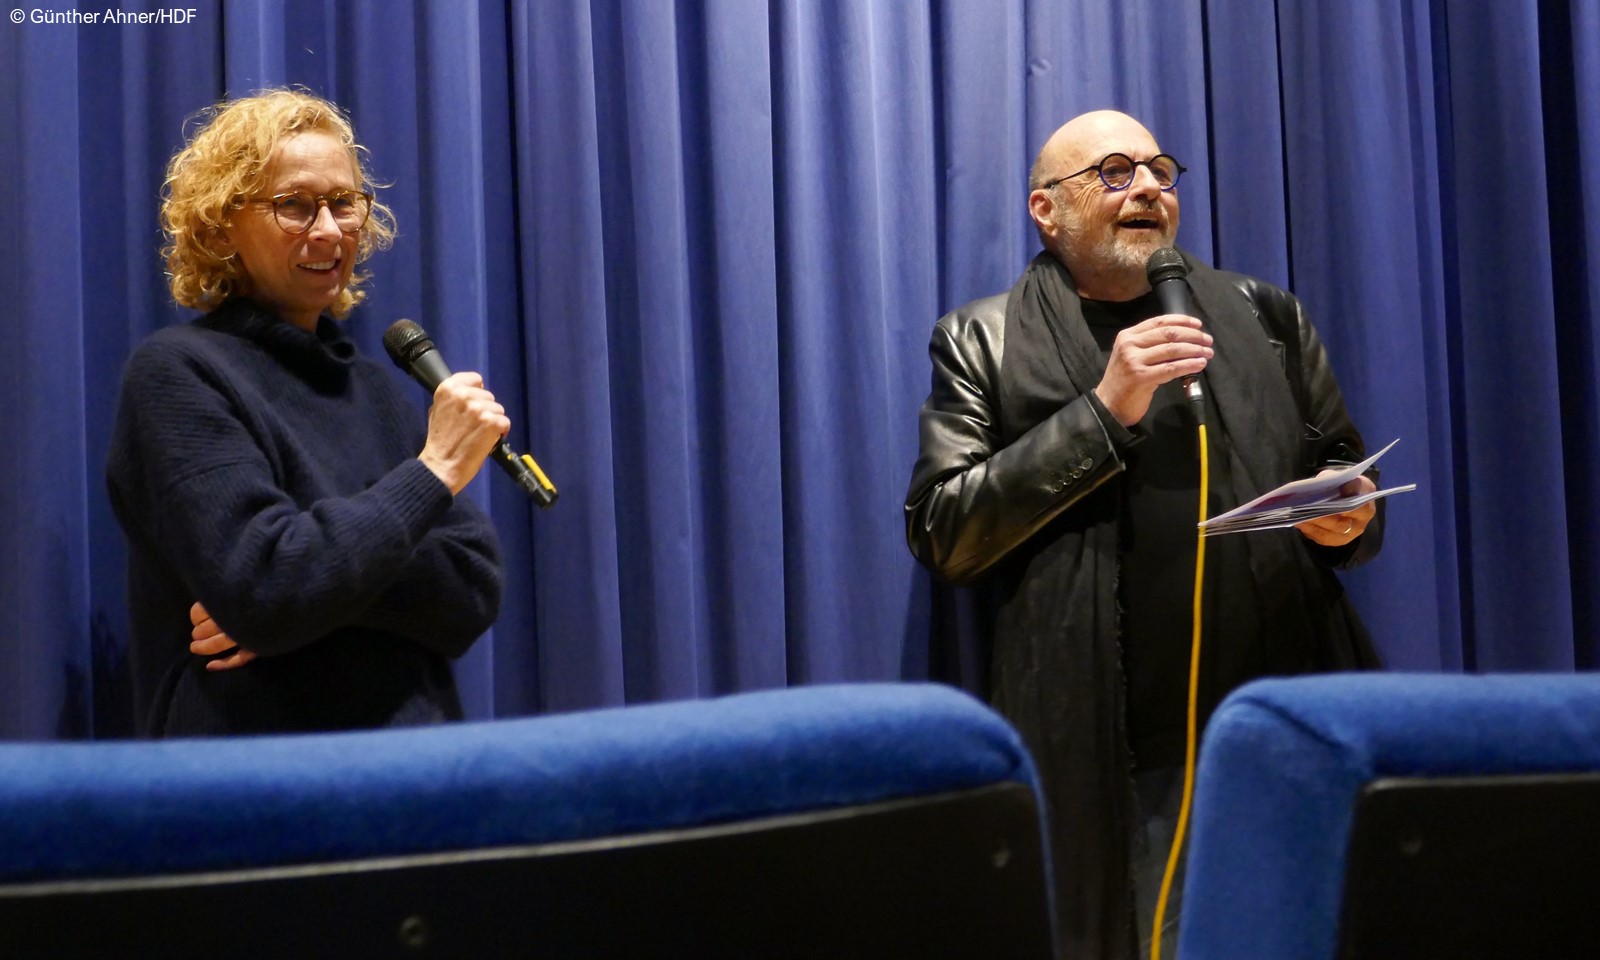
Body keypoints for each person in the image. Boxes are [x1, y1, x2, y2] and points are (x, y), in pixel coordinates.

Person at [903, 110, 1384, 959]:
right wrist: (1102, 410)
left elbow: (1340, 464)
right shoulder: (984, 337)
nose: (1149, 188)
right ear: (1046, 211)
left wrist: (1350, 517)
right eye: (1115, 172)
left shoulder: (1264, 316)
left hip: (1274, 716)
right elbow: (946, 531)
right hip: (1111, 738)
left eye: (1160, 170)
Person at [107, 90, 508, 738]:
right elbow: (266, 584)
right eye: (294, 205)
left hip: (421, 778)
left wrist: (321, 594)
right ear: (220, 224)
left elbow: (472, 589)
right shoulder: (178, 374)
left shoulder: (378, 391)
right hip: (258, 785)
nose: (328, 231)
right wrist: (431, 473)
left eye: (344, 203)